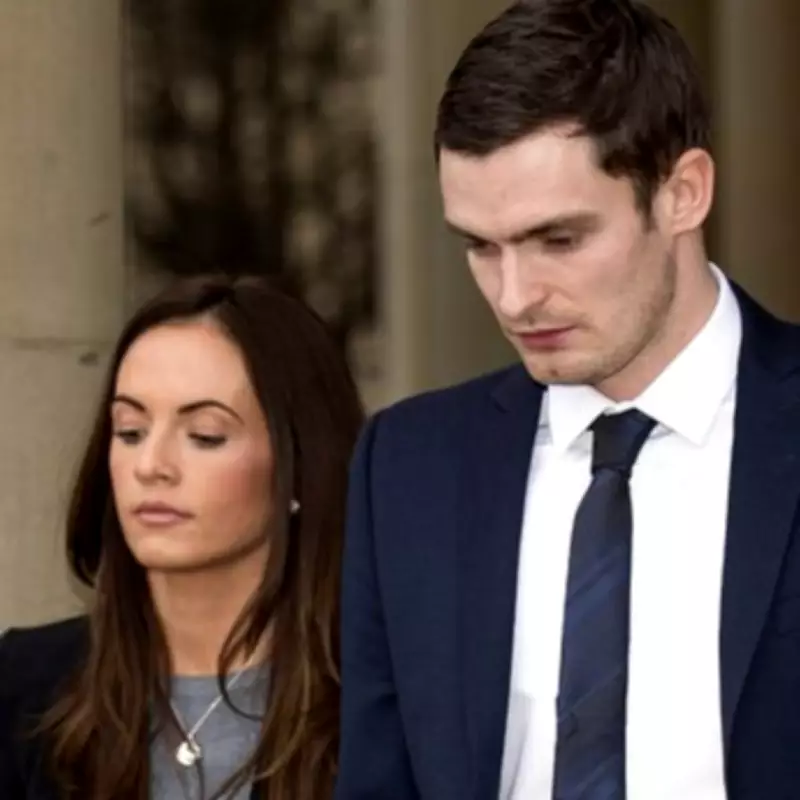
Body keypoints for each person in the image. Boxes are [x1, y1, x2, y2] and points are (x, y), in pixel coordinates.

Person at [335, 1, 800, 799]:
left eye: (558, 240)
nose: (515, 297)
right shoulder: (408, 468)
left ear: (683, 193)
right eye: (481, 246)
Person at [0, 274, 364, 799]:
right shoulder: (27, 685)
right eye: (130, 431)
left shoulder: (382, 700)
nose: (150, 465)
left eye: (204, 436)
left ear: (300, 467)